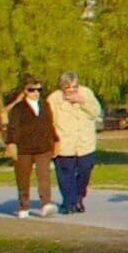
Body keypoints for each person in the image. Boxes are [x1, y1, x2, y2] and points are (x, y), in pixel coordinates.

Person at [46, 72, 103, 215]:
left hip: (85, 143)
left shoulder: (86, 93)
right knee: (66, 174)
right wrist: (52, 142)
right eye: (68, 87)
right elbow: (49, 121)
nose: (71, 90)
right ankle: (69, 203)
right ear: (62, 87)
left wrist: (83, 101)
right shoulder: (54, 99)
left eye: (74, 87)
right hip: (64, 143)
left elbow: (96, 112)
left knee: (85, 169)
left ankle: (78, 197)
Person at [2, 78, 55, 217]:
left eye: (39, 90)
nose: (36, 93)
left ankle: (46, 204)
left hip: (43, 147)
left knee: (44, 176)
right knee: (23, 179)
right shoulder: (18, 108)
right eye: (32, 90)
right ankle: (24, 206)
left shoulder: (45, 105)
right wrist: (11, 143)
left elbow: (50, 124)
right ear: (25, 91)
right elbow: (12, 128)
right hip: (23, 149)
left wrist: (54, 141)